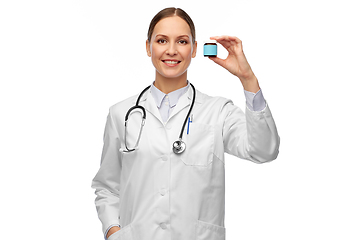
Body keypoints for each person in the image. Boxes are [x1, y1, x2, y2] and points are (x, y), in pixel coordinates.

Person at [91, 7, 280, 240]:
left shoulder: (217, 112)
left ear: (194, 49)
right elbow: (107, 187)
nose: (171, 50)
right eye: (162, 40)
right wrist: (114, 231)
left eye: (182, 41)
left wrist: (247, 78)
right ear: (148, 47)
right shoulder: (122, 114)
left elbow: (264, 150)